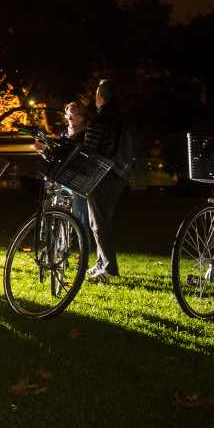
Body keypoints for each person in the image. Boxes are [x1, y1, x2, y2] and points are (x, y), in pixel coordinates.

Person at [83, 79, 129, 282]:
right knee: (100, 222)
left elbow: (90, 150)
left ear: (100, 96)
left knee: (99, 223)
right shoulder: (120, 118)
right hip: (119, 175)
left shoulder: (99, 120)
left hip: (101, 176)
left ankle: (110, 269)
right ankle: (102, 262)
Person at [63, 100, 94, 237]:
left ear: (82, 117)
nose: (69, 118)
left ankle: (83, 245)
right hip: (64, 179)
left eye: (73, 115)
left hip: (79, 182)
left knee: (80, 218)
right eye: (67, 115)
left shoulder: (86, 135)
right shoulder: (65, 133)